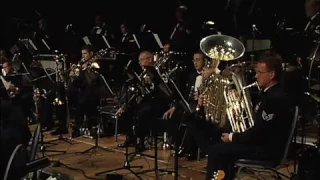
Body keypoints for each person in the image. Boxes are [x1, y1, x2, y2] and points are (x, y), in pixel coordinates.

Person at [202, 54, 294, 180]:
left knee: (217, 151)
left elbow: (259, 134)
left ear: (271, 75)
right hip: (261, 145)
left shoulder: (274, 99)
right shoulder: (271, 95)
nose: (256, 76)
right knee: (221, 145)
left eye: (260, 72)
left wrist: (232, 137)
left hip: (266, 151)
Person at [116, 51, 169, 151]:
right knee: (124, 114)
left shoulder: (158, 71)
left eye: (141, 60)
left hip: (158, 102)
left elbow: (163, 90)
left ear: (150, 59)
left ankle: (140, 141)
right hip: (145, 101)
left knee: (142, 113)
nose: (139, 63)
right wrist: (125, 106)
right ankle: (132, 138)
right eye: (139, 60)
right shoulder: (142, 74)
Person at [68, 45, 102, 136]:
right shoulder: (81, 63)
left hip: (94, 90)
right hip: (83, 90)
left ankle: (80, 125)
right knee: (71, 91)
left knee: (82, 101)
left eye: (85, 53)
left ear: (91, 53)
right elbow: (79, 81)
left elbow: (93, 80)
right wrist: (73, 75)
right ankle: (76, 124)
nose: (83, 56)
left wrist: (85, 69)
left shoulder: (96, 63)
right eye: (82, 54)